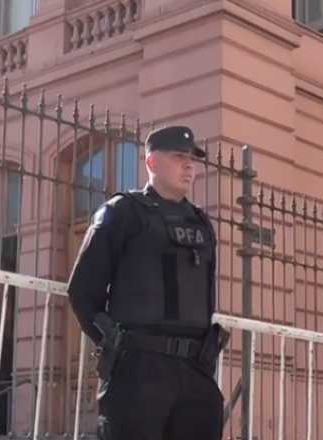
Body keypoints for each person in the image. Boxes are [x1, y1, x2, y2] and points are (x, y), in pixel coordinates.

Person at [67, 126, 227, 440]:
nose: (189, 165)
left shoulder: (200, 223)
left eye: (192, 159)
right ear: (152, 163)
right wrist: (114, 344)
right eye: (179, 157)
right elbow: (83, 291)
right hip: (138, 370)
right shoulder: (122, 212)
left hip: (195, 372)